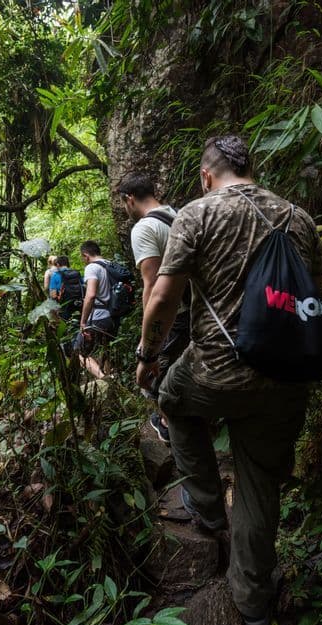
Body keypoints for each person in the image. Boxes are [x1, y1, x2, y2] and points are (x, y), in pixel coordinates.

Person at [134, 135, 322, 625]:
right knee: (260, 482)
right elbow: (316, 297)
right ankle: (253, 605)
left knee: (172, 399)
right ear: (250, 168)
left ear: (206, 175)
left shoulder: (197, 214)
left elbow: (163, 299)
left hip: (215, 369)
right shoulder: (300, 219)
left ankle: (204, 504)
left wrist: (147, 357)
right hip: (286, 375)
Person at [118, 170, 189, 444]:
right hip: (197, 310)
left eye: (124, 204)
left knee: (152, 378)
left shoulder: (144, 227)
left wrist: (146, 344)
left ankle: (170, 426)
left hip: (173, 315)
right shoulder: (179, 215)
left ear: (130, 199)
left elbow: (152, 285)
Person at [75, 240, 118, 379]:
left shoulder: (92, 267)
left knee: (78, 352)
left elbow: (91, 295)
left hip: (98, 317)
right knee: (106, 348)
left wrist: (83, 322)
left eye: (83, 258)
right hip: (113, 316)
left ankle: (103, 378)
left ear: (86, 255)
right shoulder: (110, 264)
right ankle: (111, 376)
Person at [49, 255, 83, 324]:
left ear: (58, 264)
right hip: (79, 304)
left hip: (64, 306)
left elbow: (53, 295)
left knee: (65, 325)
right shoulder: (76, 273)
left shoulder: (55, 275)